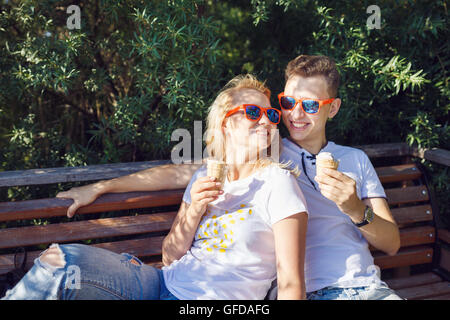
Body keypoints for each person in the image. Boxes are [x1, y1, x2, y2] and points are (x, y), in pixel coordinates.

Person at [49, 55, 401, 300]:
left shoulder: (352, 160)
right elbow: (178, 172)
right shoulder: (270, 153)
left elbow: (391, 243)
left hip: (362, 285)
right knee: (60, 263)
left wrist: (355, 208)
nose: (295, 113)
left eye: (310, 105)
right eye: (288, 102)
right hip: (306, 290)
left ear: (332, 107)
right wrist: (104, 185)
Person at [2, 75, 308, 300]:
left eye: (271, 114)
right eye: (253, 112)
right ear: (226, 124)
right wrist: (193, 211)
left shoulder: (278, 183)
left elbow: (291, 283)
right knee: (58, 260)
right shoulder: (205, 174)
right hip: (158, 283)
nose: (266, 121)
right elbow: (170, 257)